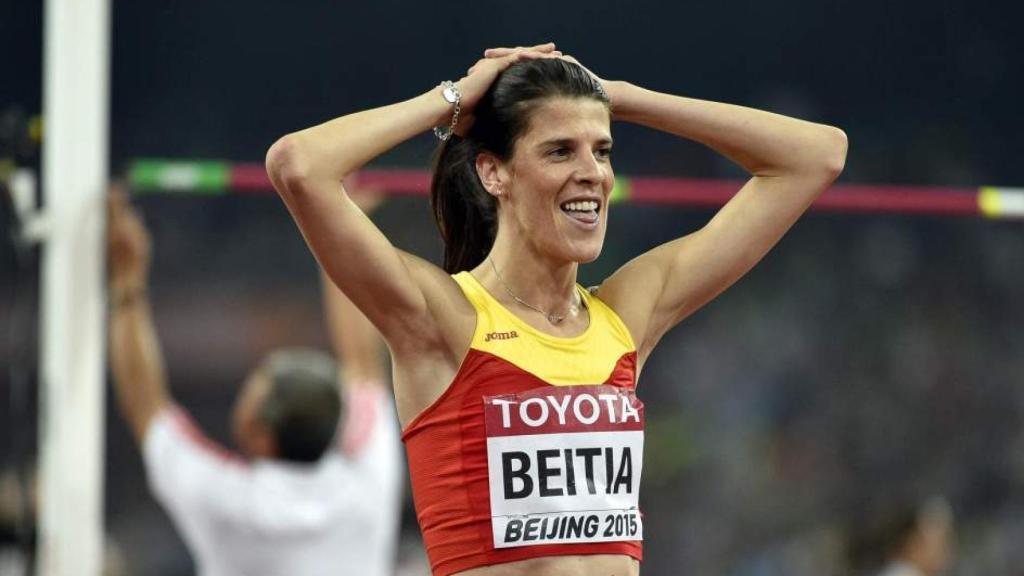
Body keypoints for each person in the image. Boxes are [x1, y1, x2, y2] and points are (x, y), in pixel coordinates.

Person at [265, 42, 847, 576]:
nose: (591, 173)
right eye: (560, 151)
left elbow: (816, 156)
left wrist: (619, 97)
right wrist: (452, 99)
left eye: (602, 150)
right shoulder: (441, 319)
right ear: (493, 171)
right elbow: (299, 166)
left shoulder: (626, 315)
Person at [106, 189, 402, 576]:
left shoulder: (228, 503)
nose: (244, 390)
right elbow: (362, 363)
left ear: (260, 435)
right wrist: (342, 226)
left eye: (252, 390)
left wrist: (127, 278)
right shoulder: (367, 481)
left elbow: (146, 403)